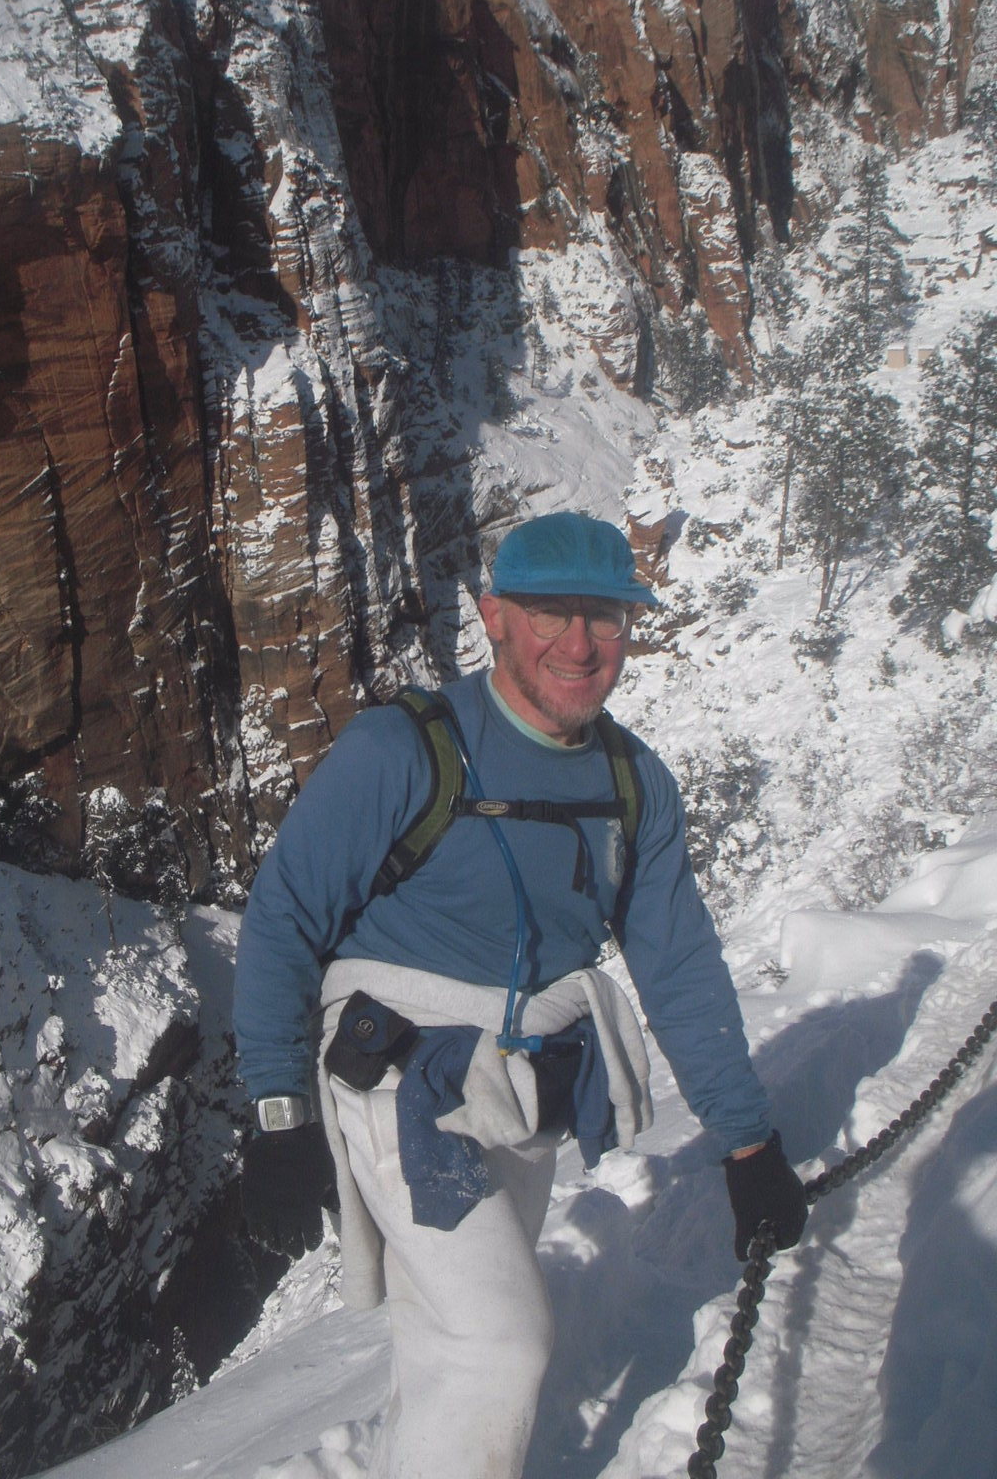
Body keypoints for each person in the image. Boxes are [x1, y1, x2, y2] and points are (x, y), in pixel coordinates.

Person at [232, 511, 806, 1479]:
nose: (578, 645)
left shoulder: (635, 783)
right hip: (399, 1076)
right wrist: (279, 1110)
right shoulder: (401, 750)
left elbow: (678, 967)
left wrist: (748, 1143)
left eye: (605, 617)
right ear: (495, 616)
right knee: (495, 1345)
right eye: (549, 613)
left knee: (448, 1347)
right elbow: (283, 917)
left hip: (526, 1086)